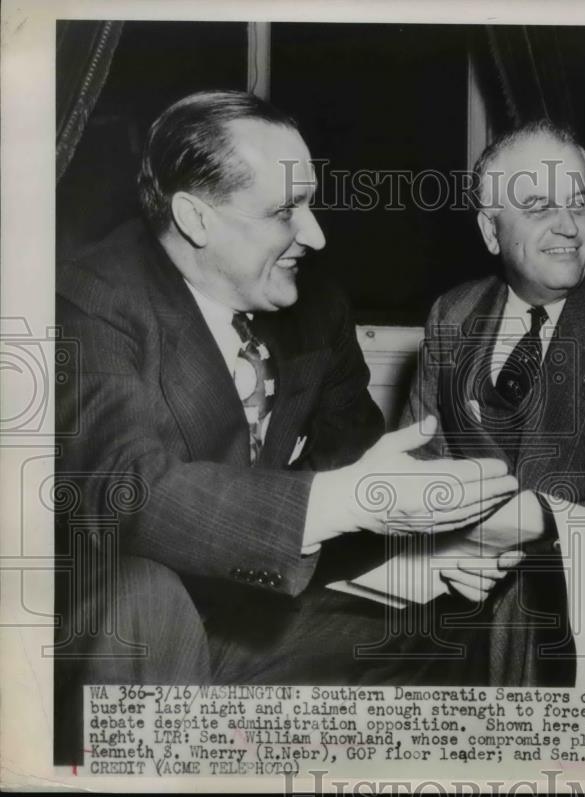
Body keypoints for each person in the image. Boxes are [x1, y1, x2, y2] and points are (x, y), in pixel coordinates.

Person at [53, 90, 516, 762]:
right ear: (194, 217)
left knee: (436, 629)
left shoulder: (313, 305)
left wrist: (417, 560)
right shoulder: (91, 299)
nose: (318, 234)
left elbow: (345, 492)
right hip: (113, 628)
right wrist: (350, 497)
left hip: (240, 615)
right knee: (144, 599)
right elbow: (127, 495)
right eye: (283, 212)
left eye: (310, 202)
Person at [401, 119, 585, 685]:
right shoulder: (453, 313)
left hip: (575, 611)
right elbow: (416, 465)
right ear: (491, 232)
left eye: (581, 203)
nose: (568, 226)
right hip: (457, 607)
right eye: (540, 206)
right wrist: (443, 552)